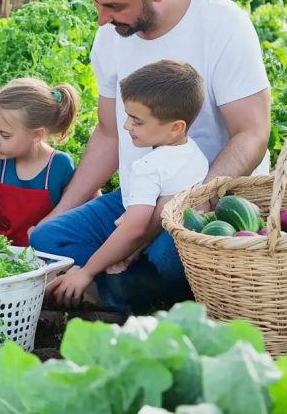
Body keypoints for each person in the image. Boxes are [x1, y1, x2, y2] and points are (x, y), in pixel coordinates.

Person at [29, 0, 272, 317]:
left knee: (169, 257)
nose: (101, 19)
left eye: (115, 6)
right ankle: (120, 280)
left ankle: (116, 287)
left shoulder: (222, 24)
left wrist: (189, 207)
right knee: (49, 239)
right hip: (139, 202)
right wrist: (57, 213)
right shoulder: (112, 34)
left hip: (214, 202)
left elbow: (251, 133)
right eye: (97, 3)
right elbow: (108, 134)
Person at [48, 60, 208, 308]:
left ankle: (100, 287)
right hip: (177, 247)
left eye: (137, 121)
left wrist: (88, 271)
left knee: (148, 266)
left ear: (176, 127)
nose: (126, 126)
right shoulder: (196, 152)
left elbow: (135, 229)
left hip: (165, 251)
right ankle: (121, 273)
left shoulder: (148, 167)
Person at [0, 78, 79, 248]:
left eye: (5, 135)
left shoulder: (60, 166)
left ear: (37, 135)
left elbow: (80, 210)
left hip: (43, 253)